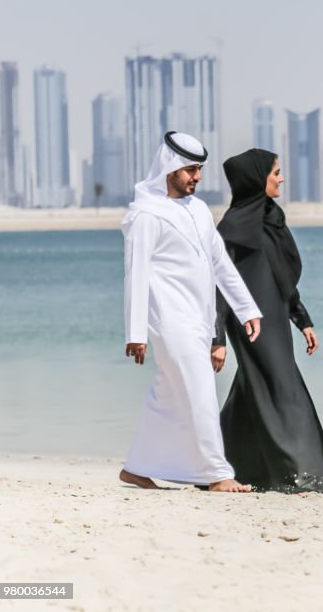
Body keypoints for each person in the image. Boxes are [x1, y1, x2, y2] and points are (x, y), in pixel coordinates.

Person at [121, 131, 262, 493]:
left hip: (198, 319)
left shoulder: (199, 210)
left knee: (167, 393)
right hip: (169, 321)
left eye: (199, 170)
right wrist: (135, 333)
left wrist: (247, 309)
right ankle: (217, 474)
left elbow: (220, 264)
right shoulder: (145, 215)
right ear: (170, 168)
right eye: (190, 170)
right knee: (201, 389)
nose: (196, 177)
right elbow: (135, 275)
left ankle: (137, 467)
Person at [212, 148, 323, 495]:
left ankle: (221, 464)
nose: (282, 178)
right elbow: (219, 287)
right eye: (275, 173)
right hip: (249, 324)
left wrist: (303, 321)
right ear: (257, 179)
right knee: (282, 389)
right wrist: (218, 338)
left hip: (276, 317)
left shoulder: (272, 217)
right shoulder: (231, 227)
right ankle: (297, 473)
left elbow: (282, 277)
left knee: (253, 391)